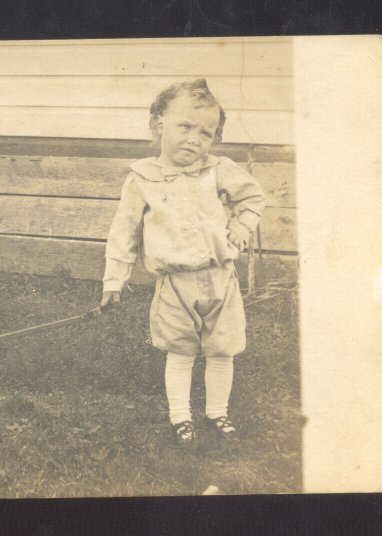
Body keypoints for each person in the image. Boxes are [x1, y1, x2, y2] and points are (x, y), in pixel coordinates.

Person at [100, 79, 265, 449]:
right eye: (185, 127)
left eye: (206, 133)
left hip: (220, 278)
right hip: (175, 284)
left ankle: (217, 411)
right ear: (159, 124)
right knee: (181, 351)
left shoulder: (218, 169)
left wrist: (241, 226)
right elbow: (123, 233)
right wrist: (114, 280)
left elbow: (254, 196)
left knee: (222, 349)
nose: (194, 139)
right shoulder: (141, 179)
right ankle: (181, 417)